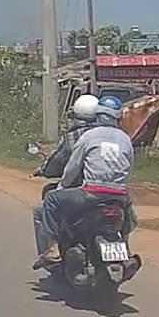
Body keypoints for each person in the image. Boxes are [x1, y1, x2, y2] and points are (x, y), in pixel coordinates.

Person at [33, 96, 135, 269]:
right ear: (119, 117)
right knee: (128, 213)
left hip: (92, 193)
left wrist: (63, 186)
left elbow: (73, 167)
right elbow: (129, 168)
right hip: (120, 194)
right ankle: (126, 246)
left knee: (51, 198)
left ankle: (53, 248)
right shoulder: (125, 139)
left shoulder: (88, 136)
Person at [34, 94, 101, 179]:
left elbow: (56, 162)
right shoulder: (110, 134)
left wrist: (44, 170)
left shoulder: (72, 136)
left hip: (82, 182)